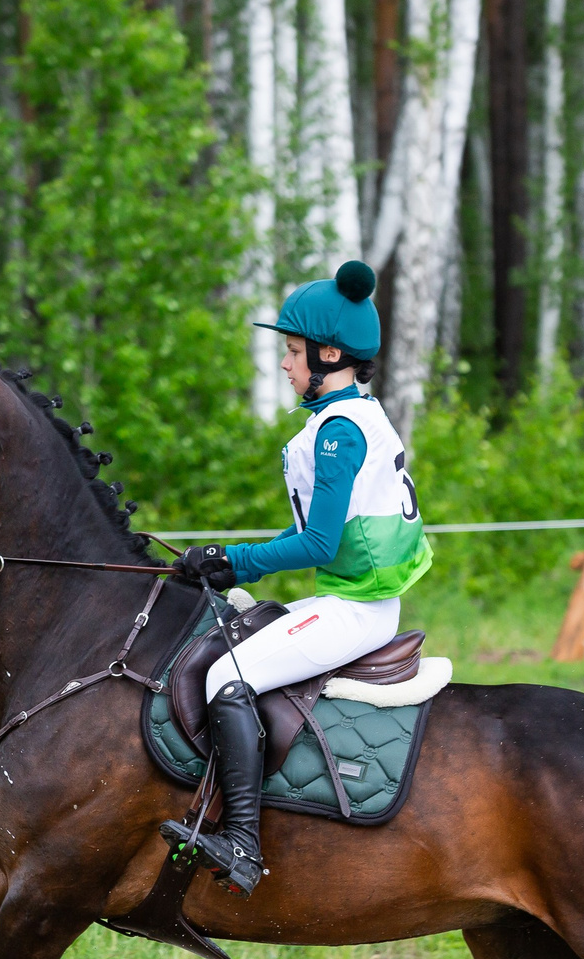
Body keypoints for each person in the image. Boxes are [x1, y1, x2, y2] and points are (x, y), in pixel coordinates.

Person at [163, 260, 433, 896]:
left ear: (329, 352)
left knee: (228, 677)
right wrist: (233, 557)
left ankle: (244, 846)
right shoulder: (354, 415)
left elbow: (319, 542)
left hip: (357, 610)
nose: (285, 365)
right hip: (351, 599)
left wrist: (234, 559)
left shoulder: (340, 431)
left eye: (292, 351)